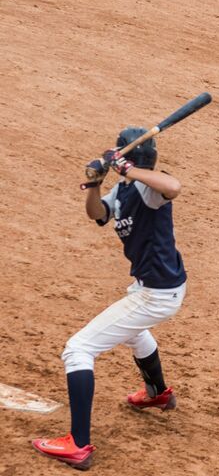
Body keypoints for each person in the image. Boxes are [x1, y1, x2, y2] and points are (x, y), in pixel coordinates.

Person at [32, 127, 187, 470]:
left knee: (78, 349)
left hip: (156, 294)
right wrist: (94, 184)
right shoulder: (126, 188)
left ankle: (78, 444)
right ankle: (157, 393)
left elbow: (174, 187)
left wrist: (126, 169)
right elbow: (97, 215)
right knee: (132, 331)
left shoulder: (149, 187)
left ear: (128, 158)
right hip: (151, 288)